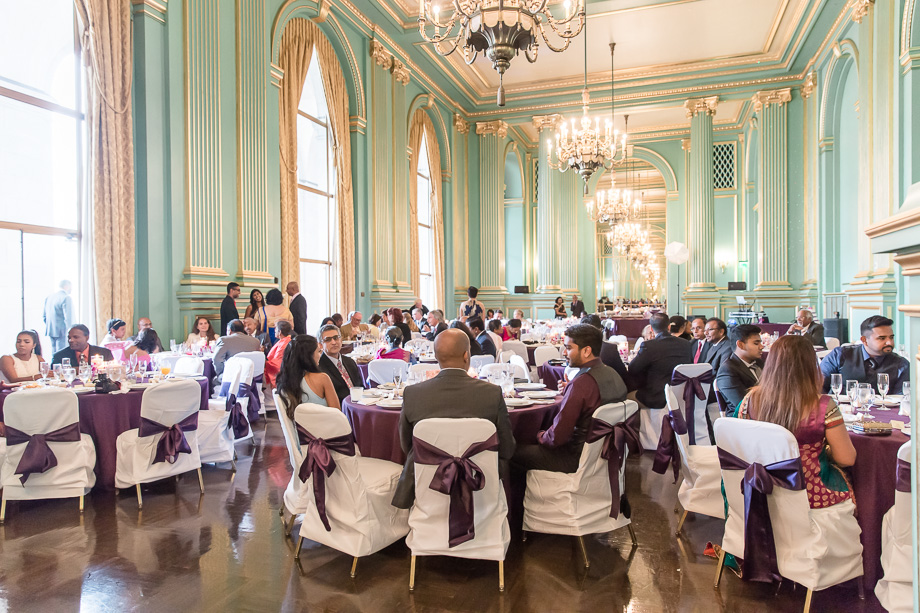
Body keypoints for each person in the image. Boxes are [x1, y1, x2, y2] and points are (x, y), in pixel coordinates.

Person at [391, 329, 516, 509]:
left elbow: (408, 447)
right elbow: (507, 449)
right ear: (466, 355)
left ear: (436, 356)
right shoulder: (491, 393)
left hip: (430, 487)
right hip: (481, 488)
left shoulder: (413, 394)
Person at [739, 335, 856, 509]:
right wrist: (824, 450)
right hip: (810, 495)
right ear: (811, 366)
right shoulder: (822, 405)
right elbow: (847, 458)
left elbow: (743, 447)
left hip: (760, 492)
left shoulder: (750, 399)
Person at [512, 324, 627, 474]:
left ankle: (525, 497)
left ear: (586, 351)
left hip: (576, 460)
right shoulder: (613, 374)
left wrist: (537, 434)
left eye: (569, 348)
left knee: (512, 452)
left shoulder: (581, 384)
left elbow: (556, 438)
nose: (565, 353)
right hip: (606, 454)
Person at [820, 315, 910, 394]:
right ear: (864, 340)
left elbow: (902, 398)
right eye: (882, 338)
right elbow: (818, 387)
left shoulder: (901, 365)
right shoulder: (839, 355)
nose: (889, 342)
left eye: (891, 337)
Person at [626, 313, 693, 408]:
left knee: (626, 397)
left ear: (651, 329)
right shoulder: (686, 344)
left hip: (657, 398)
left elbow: (633, 369)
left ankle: (643, 423)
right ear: (669, 327)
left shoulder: (649, 345)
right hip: (682, 395)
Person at [275, 334, 340, 419]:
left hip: (299, 430)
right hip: (325, 429)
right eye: (318, 351)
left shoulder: (284, 380)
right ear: (309, 356)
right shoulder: (322, 378)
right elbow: (337, 413)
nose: (320, 355)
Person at [716, 324, 763, 417]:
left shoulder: (759, 363)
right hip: (742, 421)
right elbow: (744, 405)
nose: (761, 346)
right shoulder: (728, 370)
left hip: (763, 414)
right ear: (740, 344)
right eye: (756, 343)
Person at [316, 324, 364, 402]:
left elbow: (360, 387)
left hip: (360, 404)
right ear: (320, 345)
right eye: (328, 339)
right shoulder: (319, 367)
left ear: (341, 340)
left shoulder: (350, 361)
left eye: (336, 338)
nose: (334, 342)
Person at [43, 280, 73, 353]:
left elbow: (44, 316)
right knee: (62, 353)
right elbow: (69, 318)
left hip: (50, 329)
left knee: (54, 353)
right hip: (62, 330)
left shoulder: (49, 297)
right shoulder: (66, 298)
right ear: (66, 286)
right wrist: (71, 331)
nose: (71, 290)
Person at [264, 320, 294, 388]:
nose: (274, 330)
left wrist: (264, 363)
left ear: (280, 331)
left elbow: (277, 363)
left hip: (282, 374)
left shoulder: (284, 344)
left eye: (275, 328)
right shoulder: (285, 341)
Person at [702, 318, 733, 382]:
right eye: (705, 330)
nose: (706, 333)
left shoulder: (728, 347)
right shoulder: (713, 346)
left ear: (721, 331)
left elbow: (723, 373)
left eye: (710, 330)